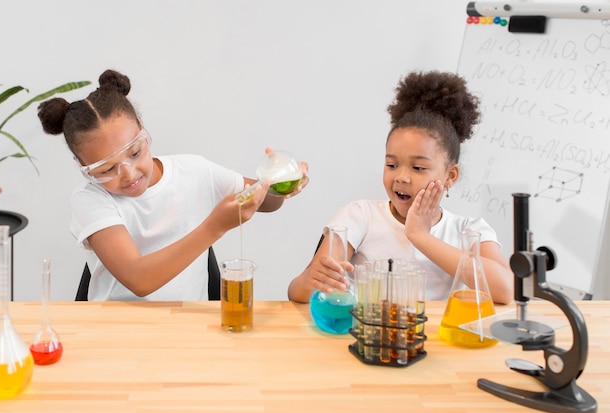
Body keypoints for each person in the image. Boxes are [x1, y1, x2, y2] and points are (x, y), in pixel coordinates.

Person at [37, 69, 308, 301]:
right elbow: (138, 278)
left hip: (186, 326)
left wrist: (281, 180)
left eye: (134, 153)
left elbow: (268, 201)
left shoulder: (195, 172)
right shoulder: (90, 200)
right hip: (116, 331)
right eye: (106, 169)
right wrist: (215, 226)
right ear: (81, 164)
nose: (129, 174)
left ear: (143, 129)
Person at [288, 70, 513, 305]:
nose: (402, 177)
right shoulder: (359, 216)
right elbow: (299, 292)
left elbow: (505, 290)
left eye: (418, 168)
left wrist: (420, 237)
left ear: (450, 175)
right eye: (392, 164)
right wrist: (307, 282)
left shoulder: (469, 230)